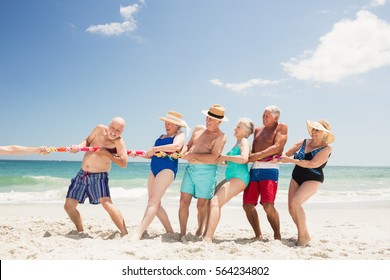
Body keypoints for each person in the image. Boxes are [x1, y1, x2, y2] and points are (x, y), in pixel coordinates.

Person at [64, 117, 129, 236]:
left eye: (118, 130)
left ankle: (125, 233)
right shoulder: (99, 129)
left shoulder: (118, 142)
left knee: (106, 203)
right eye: (112, 128)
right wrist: (78, 147)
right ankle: (80, 230)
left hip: (99, 176)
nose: (114, 132)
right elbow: (87, 141)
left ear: (122, 132)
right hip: (82, 174)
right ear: (109, 125)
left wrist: (106, 153)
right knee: (68, 207)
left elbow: (124, 163)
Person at [133, 111, 188, 240]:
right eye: (166, 123)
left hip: (167, 169)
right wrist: (139, 154)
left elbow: (176, 147)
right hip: (154, 169)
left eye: (169, 123)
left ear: (176, 125)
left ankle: (138, 233)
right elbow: (152, 154)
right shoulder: (161, 136)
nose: (166, 125)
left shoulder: (179, 135)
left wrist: (155, 149)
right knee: (155, 204)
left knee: (153, 201)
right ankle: (170, 231)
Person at [279, 119, 335, 246]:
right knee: (291, 208)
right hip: (296, 177)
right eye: (313, 129)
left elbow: (313, 163)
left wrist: (291, 161)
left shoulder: (326, 149)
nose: (314, 132)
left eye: (318, 130)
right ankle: (305, 235)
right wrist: (280, 156)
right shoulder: (303, 142)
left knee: (296, 202)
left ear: (325, 133)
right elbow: (286, 153)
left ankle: (301, 238)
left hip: (313, 178)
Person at [179, 104, 228, 241]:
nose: (208, 121)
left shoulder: (221, 137)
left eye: (211, 119)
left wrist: (192, 157)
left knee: (201, 206)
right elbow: (188, 146)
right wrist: (183, 153)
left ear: (219, 122)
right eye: (207, 117)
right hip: (190, 170)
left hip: (207, 172)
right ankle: (182, 233)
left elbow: (213, 157)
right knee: (183, 202)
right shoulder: (198, 129)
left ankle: (200, 228)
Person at [203, 118, 254, 242]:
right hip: (231, 176)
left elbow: (243, 158)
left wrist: (226, 157)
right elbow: (232, 161)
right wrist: (223, 161)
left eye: (238, 127)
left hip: (240, 177)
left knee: (215, 202)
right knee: (212, 198)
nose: (235, 129)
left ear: (246, 132)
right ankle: (206, 233)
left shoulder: (244, 141)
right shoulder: (237, 143)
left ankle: (208, 237)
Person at [243, 105, 288, 240]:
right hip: (254, 169)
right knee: (247, 205)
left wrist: (258, 155)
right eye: (263, 115)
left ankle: (277, 235)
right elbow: (253, 151)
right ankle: (258, 235)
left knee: (268, 205)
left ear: (276, 118)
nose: (263, 118)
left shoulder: (281, 127)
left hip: (270, 169)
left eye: (266, 116)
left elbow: (278, 147)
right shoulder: (257, 130)